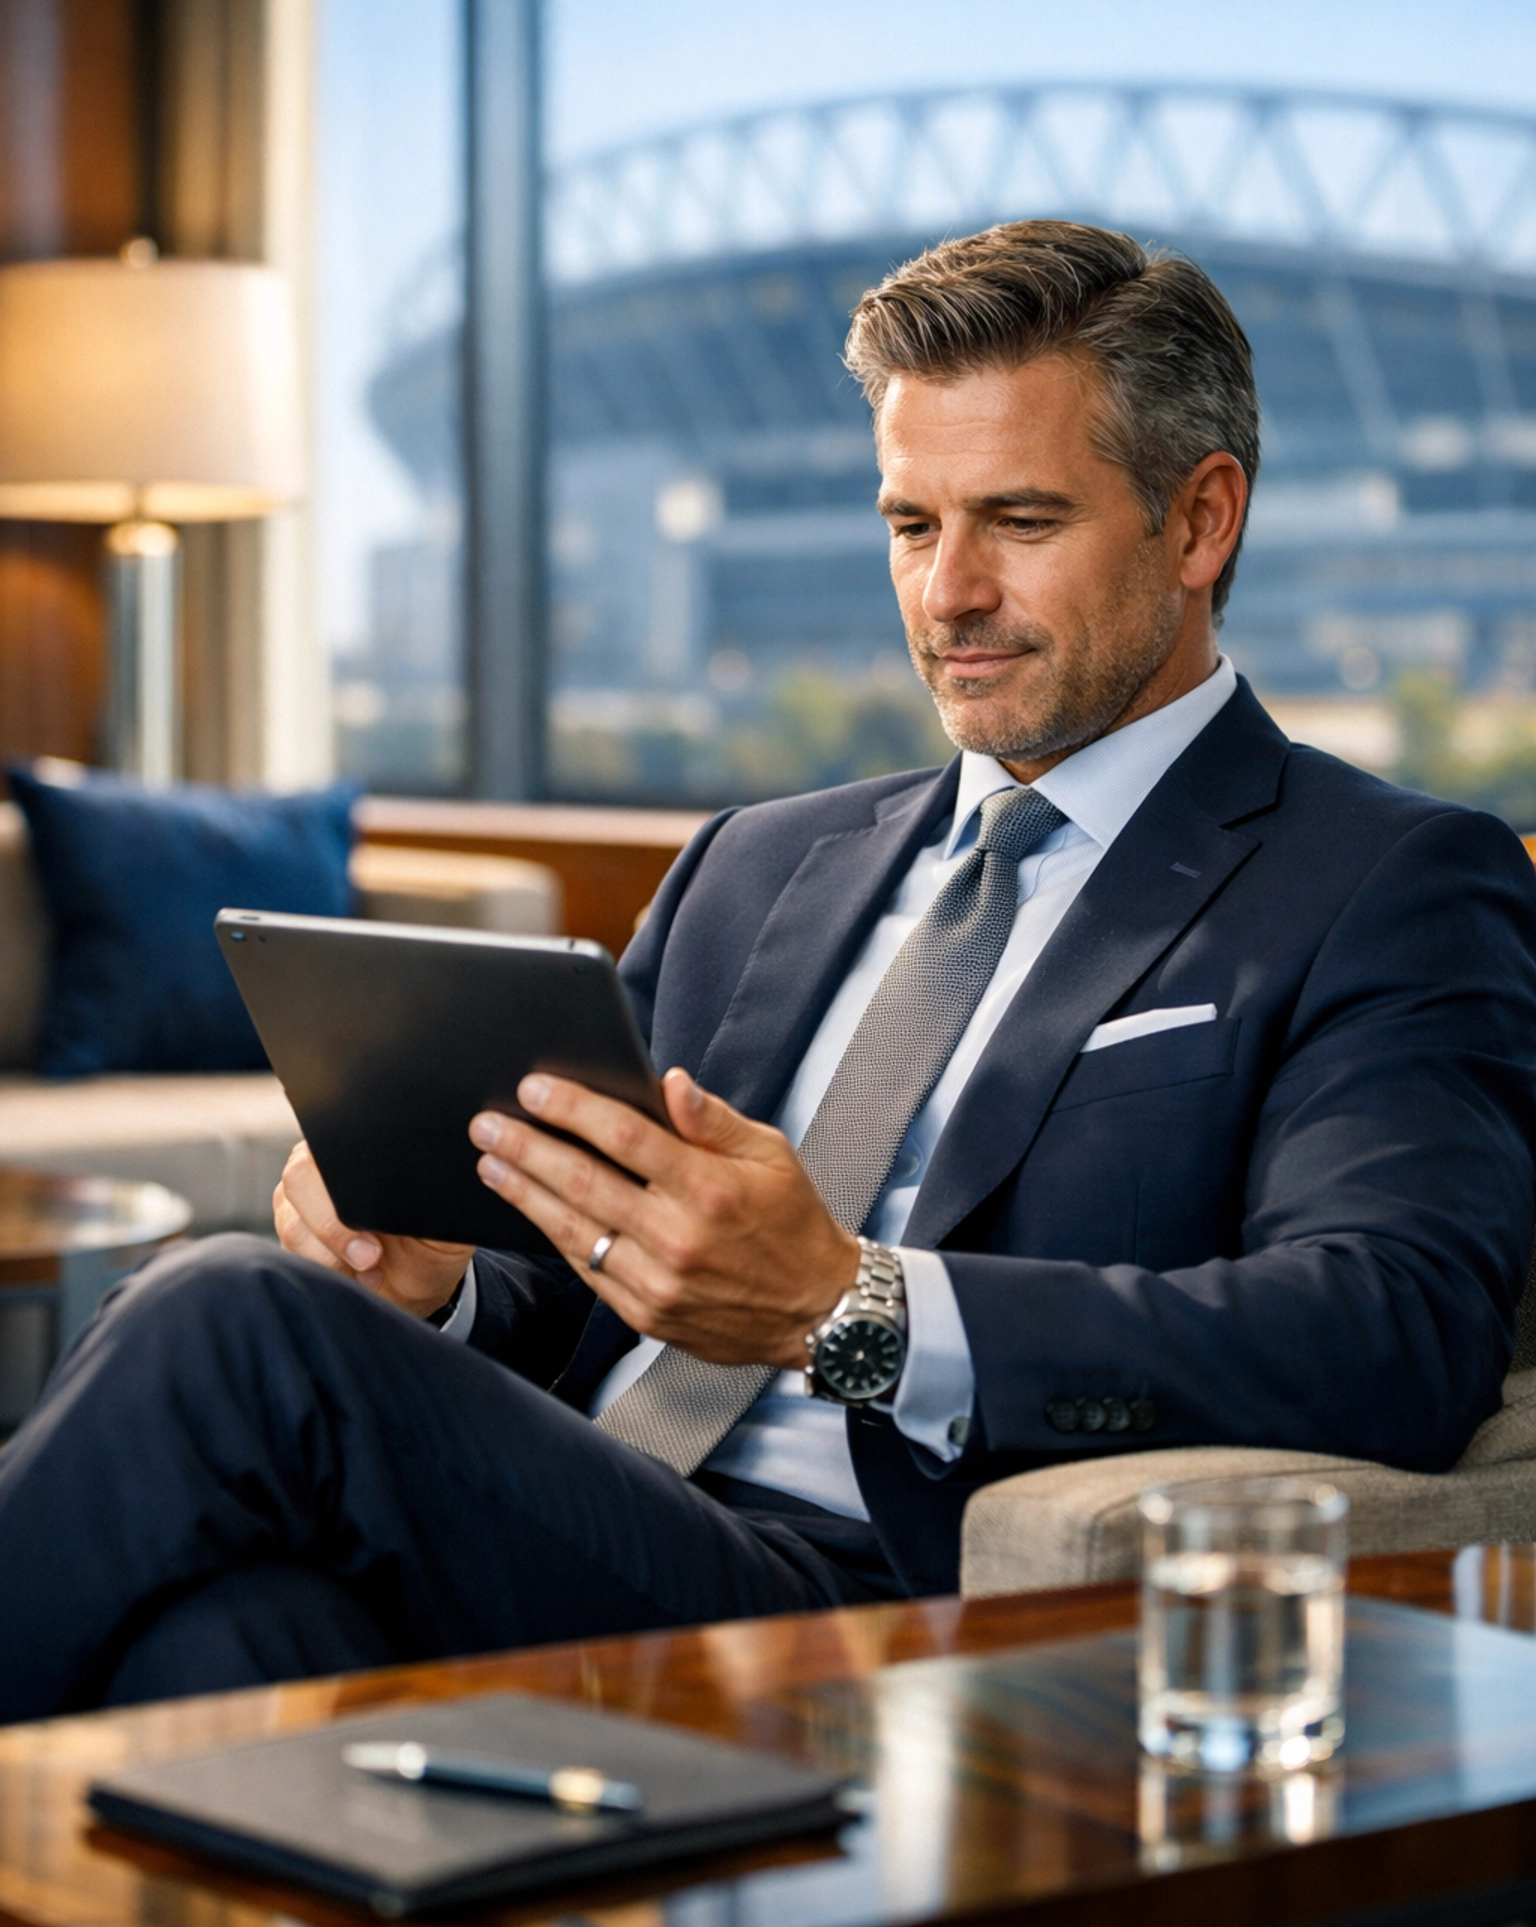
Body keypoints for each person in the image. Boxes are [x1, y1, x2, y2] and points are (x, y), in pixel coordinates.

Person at [2, 218, 1534, 1725]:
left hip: (882, 1590)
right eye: (911, 526)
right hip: (590, 1512)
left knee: (230, 1319)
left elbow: (1389, 1330)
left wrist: (848, 1309)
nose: (949, 596)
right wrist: (450, 1290)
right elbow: (579, 1282)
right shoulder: (757, 859)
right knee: (226, 1632)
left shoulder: (1384, 881)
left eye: (1020, 519)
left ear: (1202, 522)